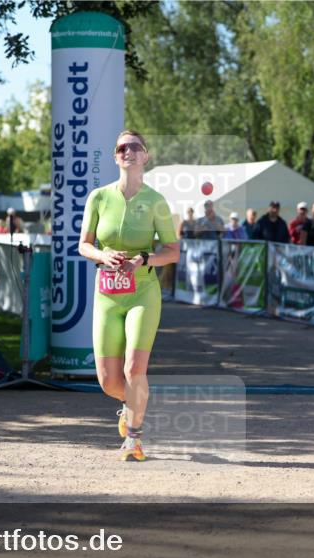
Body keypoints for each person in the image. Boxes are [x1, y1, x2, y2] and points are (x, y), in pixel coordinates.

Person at [78, 129, 180, 462]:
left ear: (145, 156)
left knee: (135, 369)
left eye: (135, 147)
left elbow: (173, 251)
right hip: (107, 292)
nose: (128, 151)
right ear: (115, 157)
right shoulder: (98, 197)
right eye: (122, 147)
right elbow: (84, 244)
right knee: (109, 381)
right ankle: (132, 406)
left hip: (143, 291)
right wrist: (101, 256)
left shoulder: (156, 201)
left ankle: (133, 439)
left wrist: (144, 258)